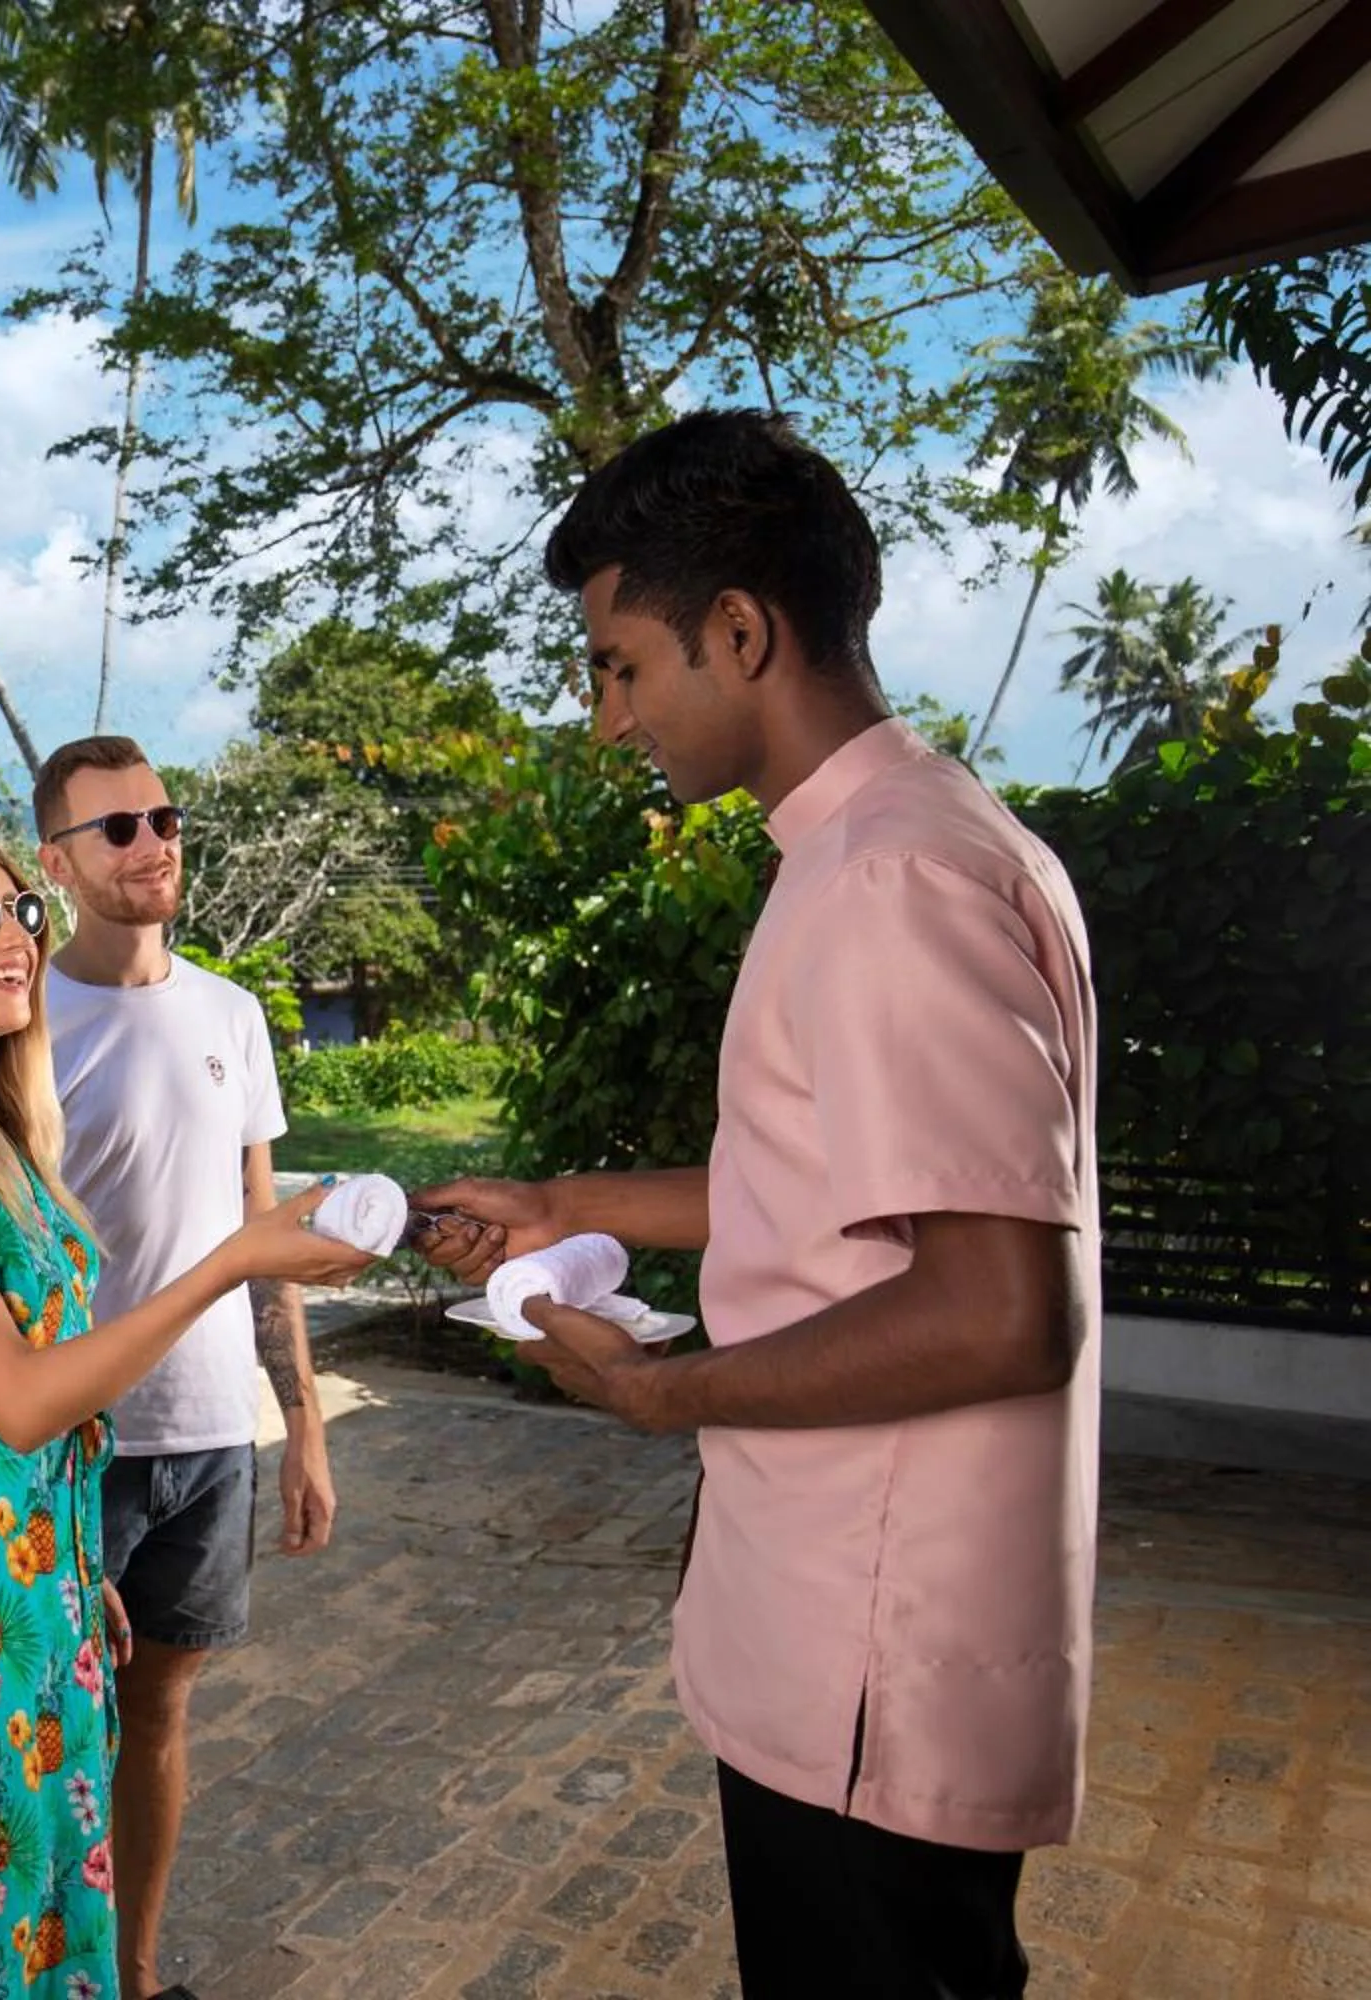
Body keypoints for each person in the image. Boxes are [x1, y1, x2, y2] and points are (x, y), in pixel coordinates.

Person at [413, 409, 1099, 2000]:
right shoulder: (895, 844)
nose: (607, 719)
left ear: (739, 630)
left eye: (621, 665)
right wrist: (565, 1200)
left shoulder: (890, 881)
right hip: (863, 1630)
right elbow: (841, 1188)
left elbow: (1000, 1310)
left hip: (876, 1651)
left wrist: (665, 1393)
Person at [0, 830, 375, 2000]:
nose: (16, 934)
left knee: (46, 1898)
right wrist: (230, 1262)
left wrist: (68, 1555)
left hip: (31, 1575)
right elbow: (13, 1399)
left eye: (21, 909)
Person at [26, 736, 333, 2000]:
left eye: (164, 816)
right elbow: (13, 1268)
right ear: (57, 860)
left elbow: (261, 1233)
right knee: (49, 1734)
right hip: (77, 1441)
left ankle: (135, 1975)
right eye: (117, 828)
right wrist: (41, 1476)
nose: (154, 843)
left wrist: (302, 1421)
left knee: (156, 1718)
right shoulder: (25, 1022)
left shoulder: (233, 1013)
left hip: (210, 1437)